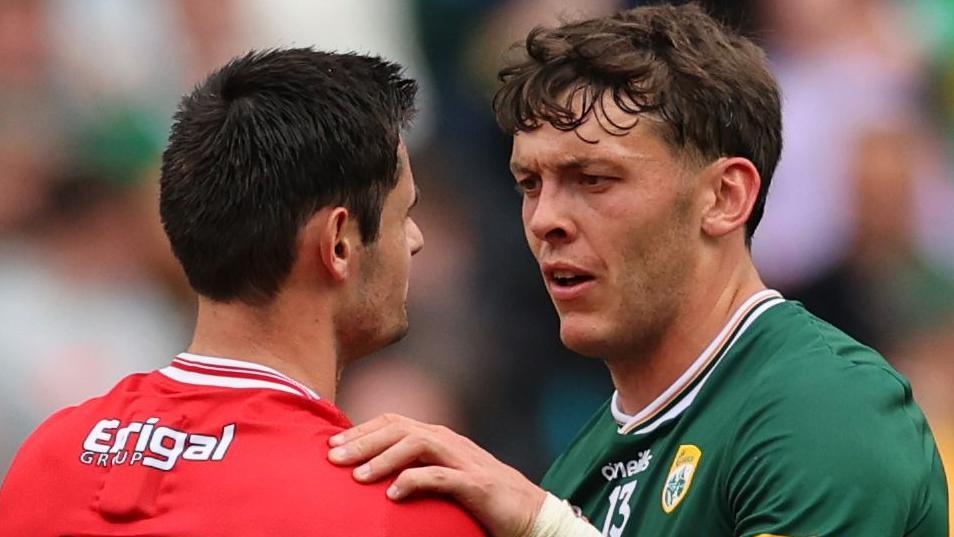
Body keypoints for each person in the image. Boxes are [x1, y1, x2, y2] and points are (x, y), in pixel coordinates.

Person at [326, 4, 949, 537]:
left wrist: (546, 525)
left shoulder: (823, 408)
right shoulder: (582, 465)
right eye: (529, 184)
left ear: (725, 197)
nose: (546, 219)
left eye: (593, 179)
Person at [0, 48, 484, 537]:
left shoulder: (48, 458)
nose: (416, 240)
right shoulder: (400, 510)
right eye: (405, 215)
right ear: (338, 244)